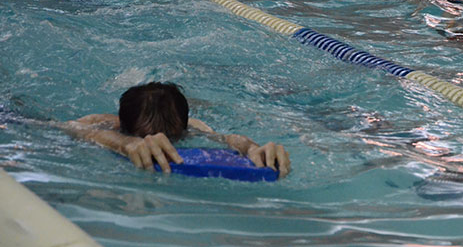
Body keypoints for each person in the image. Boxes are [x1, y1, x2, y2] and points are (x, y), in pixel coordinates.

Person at [62, 82, 291, 177]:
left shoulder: (192, 127)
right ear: (123, 126)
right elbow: (67, 127)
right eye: (143, 137)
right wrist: (124, 143)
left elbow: (228, 139)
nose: (157, 143)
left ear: (183, 131)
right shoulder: (103, 123)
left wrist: (251, 148)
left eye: (172, 138)